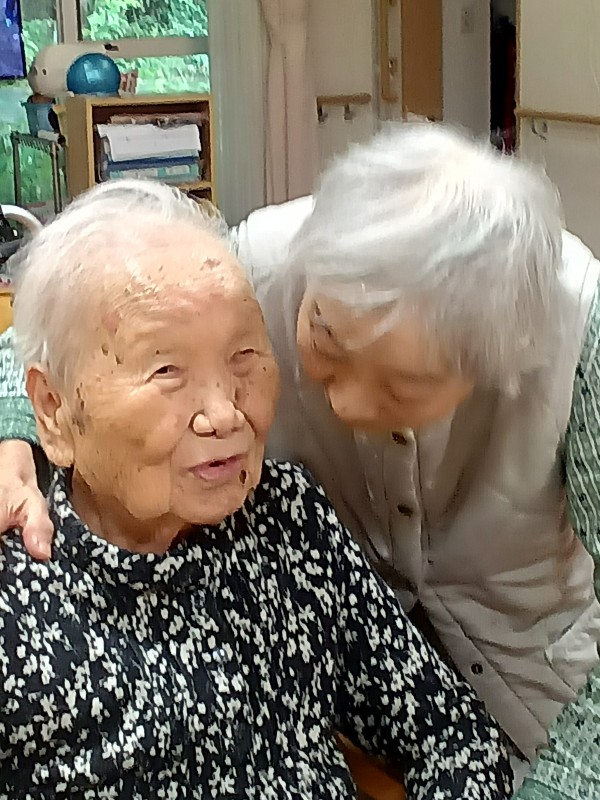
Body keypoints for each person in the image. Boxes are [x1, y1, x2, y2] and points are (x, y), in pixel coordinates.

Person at [0, 123, 598, 795]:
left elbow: (454, 740)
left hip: (538, 689)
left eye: (245, 358)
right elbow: (57, 334)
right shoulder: (236, 270)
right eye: (167, 371)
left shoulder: (288, 522)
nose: (227, 415)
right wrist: (11, 435)